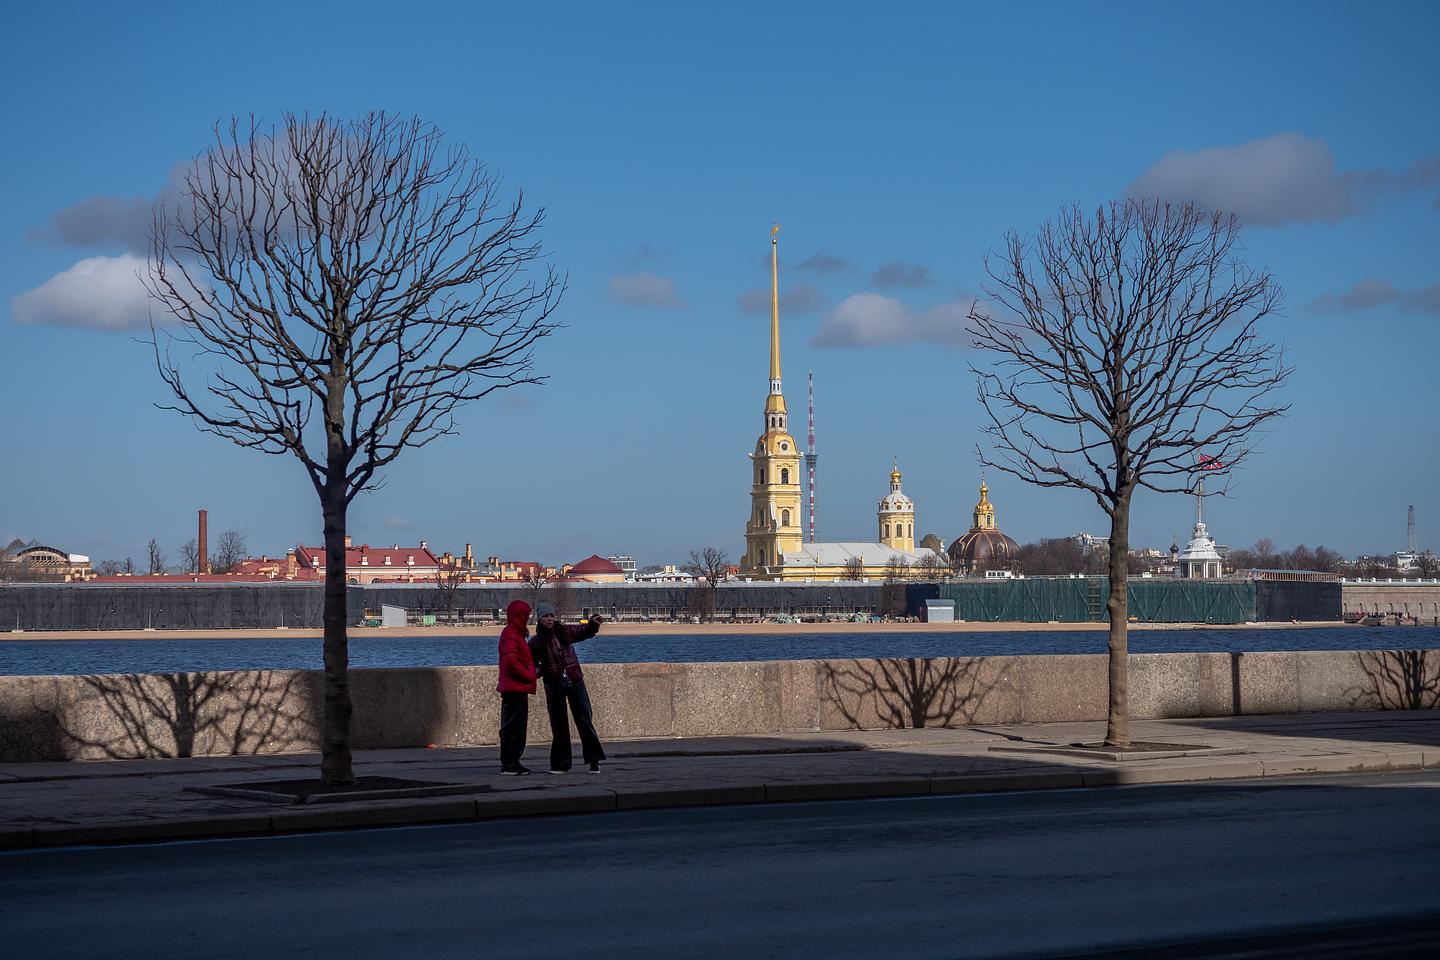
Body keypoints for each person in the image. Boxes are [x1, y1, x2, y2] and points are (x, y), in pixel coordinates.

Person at [529, 602, 607, 773]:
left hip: (574, 680)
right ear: (539, 619)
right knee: (559, 724)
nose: (549, 619)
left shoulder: (564, 631)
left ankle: (594, 761)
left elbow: (583, 631)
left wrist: (593, 623)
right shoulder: (536, 642)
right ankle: (561, 764)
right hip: (554, 683)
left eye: (551, 615)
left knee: (584, 720)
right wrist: (544, 670)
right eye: (545, 616)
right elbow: (533, 667)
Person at [496, 598, 537, 775]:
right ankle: (510, 763)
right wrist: (529, 674)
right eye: (526, 616)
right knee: (514, 727)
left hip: (516, 687)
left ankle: (513, 762)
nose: (527, 619)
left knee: (515, 726)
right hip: (515, 687)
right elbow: (511, 661)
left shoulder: (513, 633)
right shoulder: (512, 634)